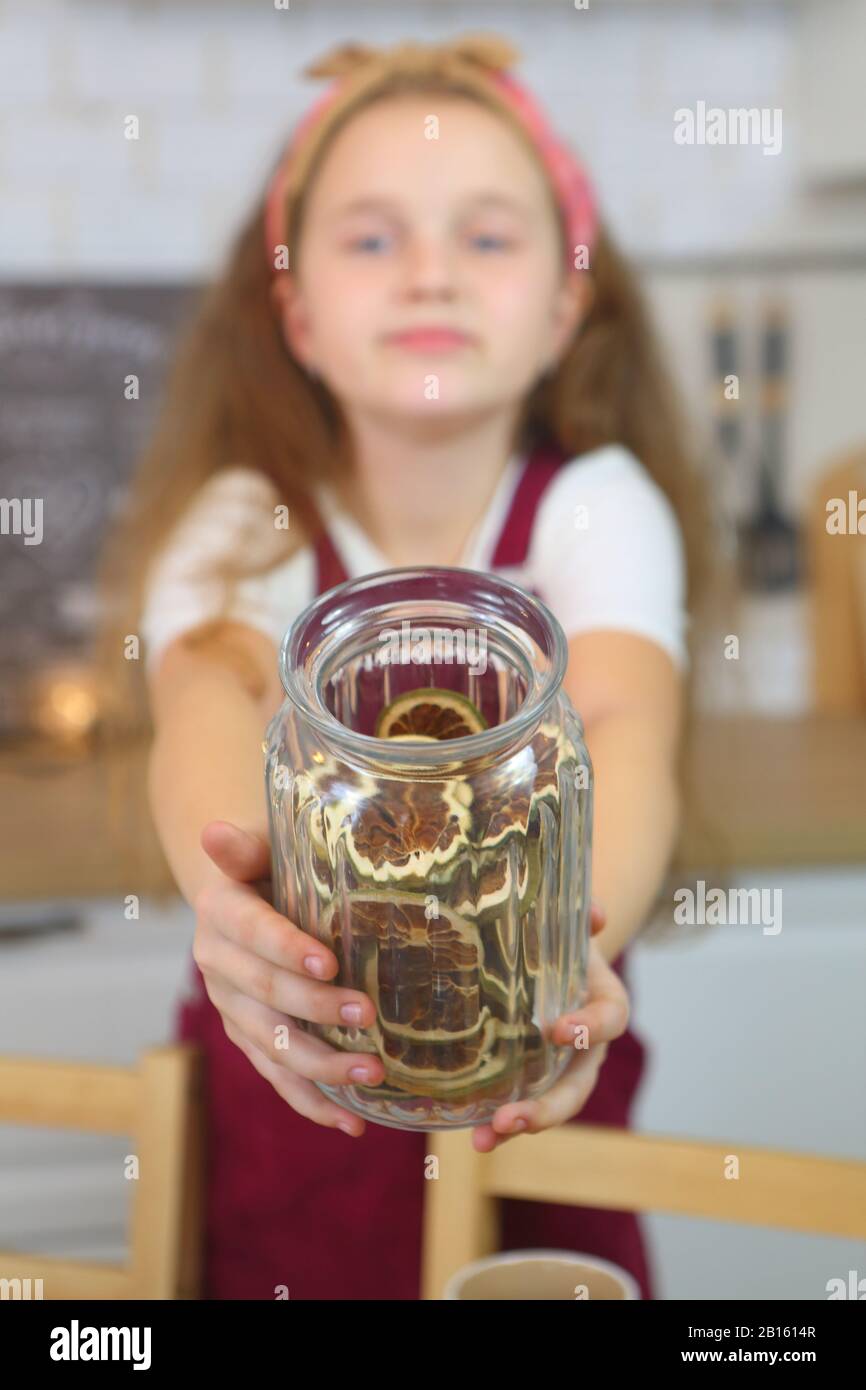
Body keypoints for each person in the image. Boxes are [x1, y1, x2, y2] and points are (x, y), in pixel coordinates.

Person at [98, 32, 715, 1300]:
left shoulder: (593, 509)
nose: (429, 269)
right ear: (298, 314)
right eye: (372, 238)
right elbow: (207, 694)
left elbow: (619, 721)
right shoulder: (244, 516)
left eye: (485, 237)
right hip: (301, 1089)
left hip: (535, 1082)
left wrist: (566, 958)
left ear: (562, 306)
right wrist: (238, 918)